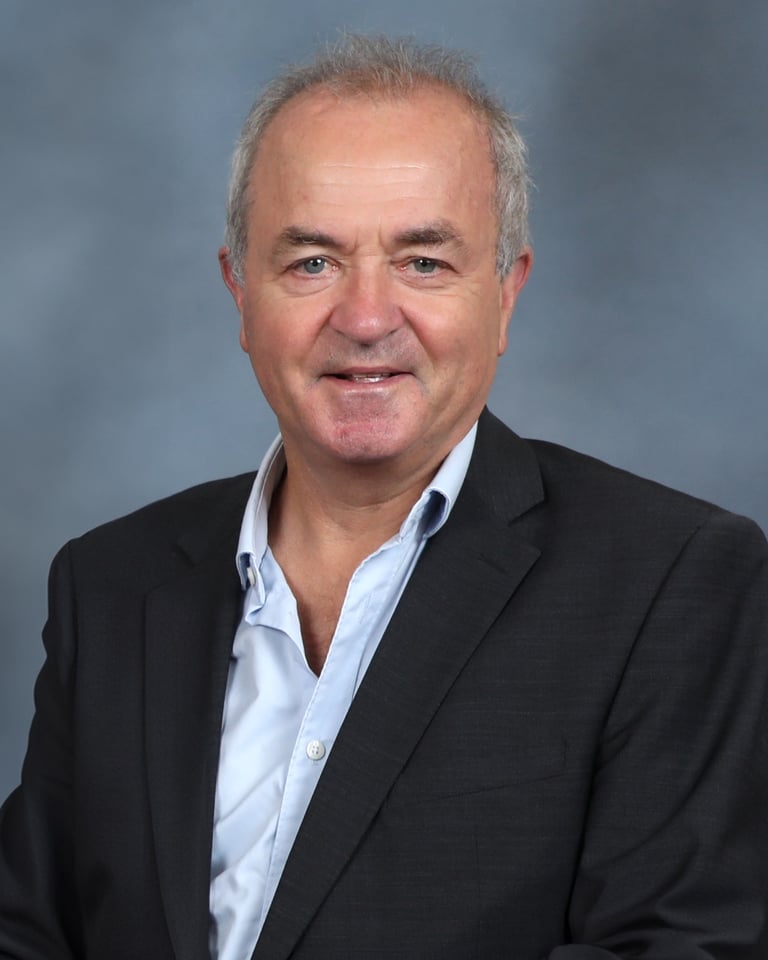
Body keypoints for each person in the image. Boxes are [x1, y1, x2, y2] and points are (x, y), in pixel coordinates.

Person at [1, 33, 767, 960]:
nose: (366, 318)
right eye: (312, 262)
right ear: (240, 291)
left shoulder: (669, 582)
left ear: (505, 294)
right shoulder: (109, 585)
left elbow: (678, 944)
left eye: (423, 262)